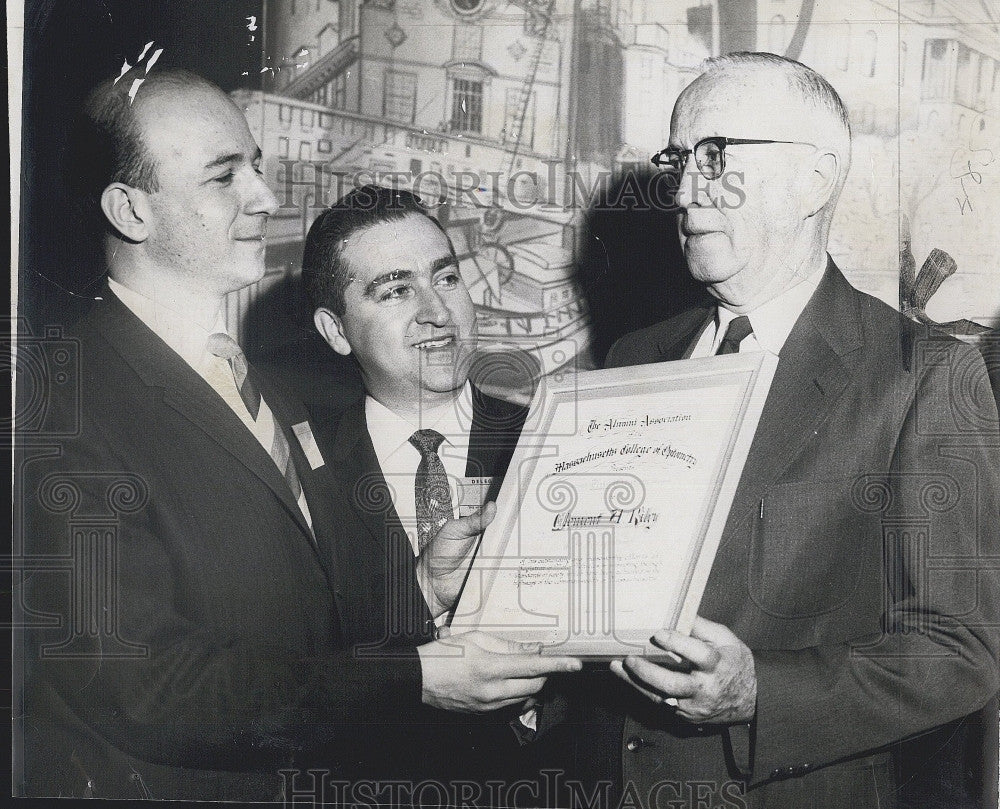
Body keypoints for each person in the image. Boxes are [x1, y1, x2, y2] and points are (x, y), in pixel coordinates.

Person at [15, 68, 579, 801]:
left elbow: (294, 624)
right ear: (130, 209)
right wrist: (412, 679)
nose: (266, 197)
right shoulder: (58, 401)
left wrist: (417, 588)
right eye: (225, 177)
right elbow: (146, 684)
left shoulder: (270, 388)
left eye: (257, 165)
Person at [537, 52, 1000, 809]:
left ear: (815, 178)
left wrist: (762, 693)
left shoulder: (924, 377)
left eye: (716, 156)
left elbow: (961, 651)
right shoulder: (635, 355)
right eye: (679, 160)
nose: (684, 192)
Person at [300, 185, 538, 789]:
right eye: (396, 290)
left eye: (447, 278)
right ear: (335, 330)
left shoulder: (548, 440)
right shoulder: (291, 466)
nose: (437, 311)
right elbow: (287, 671)